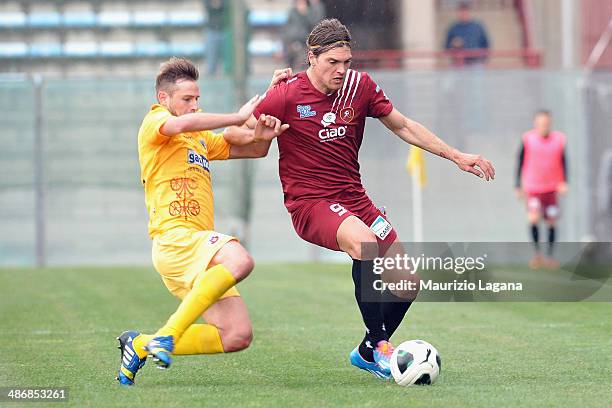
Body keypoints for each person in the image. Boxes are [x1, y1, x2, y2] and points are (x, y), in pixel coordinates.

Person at [238, 19, 495, 379]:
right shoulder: (287, 94)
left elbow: (403, 125)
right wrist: (250, 126)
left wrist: (456, 156)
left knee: (407, 285)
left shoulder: (361, 87)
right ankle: (380, 346)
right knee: (364, 243)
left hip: (354, 199)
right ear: (311, 58)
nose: (341, 70)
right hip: (310, 202)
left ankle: (365, 350)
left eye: (346, 62)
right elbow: (242, 131)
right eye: (333, 62)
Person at [116, 57, 289, 386]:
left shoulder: (199, 139)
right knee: (240, 258)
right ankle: (167, 334)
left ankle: (140, 344)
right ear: (164, 99)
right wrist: (238, 116)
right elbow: (180, 126)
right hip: (175, 240)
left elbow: (253, 150)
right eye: (187, 99)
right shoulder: (155, 122)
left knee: (237, 335)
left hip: (195, 248)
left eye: (197, 99)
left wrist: (265, 126)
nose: (195, 106)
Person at [515, 110, 568, 269]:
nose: (543, 126)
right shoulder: (528, 139)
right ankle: (537, 255)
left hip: (551, 188)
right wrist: (518, 185)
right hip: (534, 187)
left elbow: (565, 161)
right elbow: (520, 162)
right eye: (540, 123)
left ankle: (550, 257)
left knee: (551, 222)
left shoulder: (559, 139)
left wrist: (564, 181)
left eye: (546, 123)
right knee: (533, 218)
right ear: (535, 123)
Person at [444, 1, 490, 67]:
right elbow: (446, 48)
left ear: (469, 12)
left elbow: (486, 45)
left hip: (476, 64)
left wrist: (483, 61)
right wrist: (453, 45)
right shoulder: (453, 28)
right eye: (461, 11)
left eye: (465, 10)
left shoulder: (478, 27)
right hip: (458, 65)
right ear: (457, 12)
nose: (463, 13)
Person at [204, 0, 225, 76]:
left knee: (226, 63)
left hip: (225, 30)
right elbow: (212, 6)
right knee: (211, 61)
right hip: (212, 29)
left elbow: (222, 5)